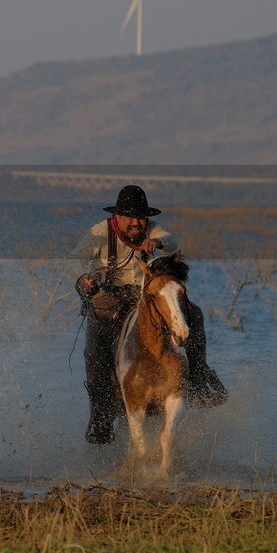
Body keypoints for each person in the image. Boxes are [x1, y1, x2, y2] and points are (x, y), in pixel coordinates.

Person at [69, 184, 226, 444]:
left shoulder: (154, 230)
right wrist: (83, 277)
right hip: (109, 295)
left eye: (141, 216)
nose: (136, 222)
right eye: (130, 216)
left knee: (194, 314)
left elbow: (173, 243)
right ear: (117, 216)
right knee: (96, 347)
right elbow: (76, 258)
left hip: (146, 294)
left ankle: (198, 373)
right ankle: (101, 411)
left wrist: (159, 243)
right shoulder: (99, 232)